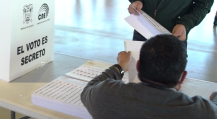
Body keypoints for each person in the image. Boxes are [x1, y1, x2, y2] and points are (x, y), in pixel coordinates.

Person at [81, 35, 217, 119]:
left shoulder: (106, 94)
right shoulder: (201, 112)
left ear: (138, 66)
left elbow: (88, 88)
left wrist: (121, 66)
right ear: (182, 77)